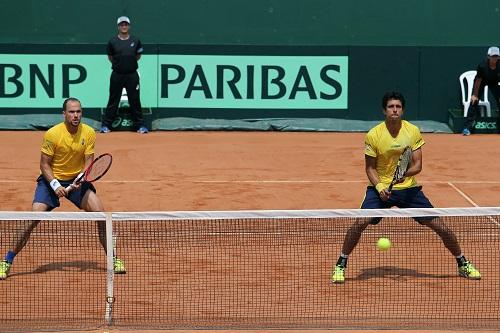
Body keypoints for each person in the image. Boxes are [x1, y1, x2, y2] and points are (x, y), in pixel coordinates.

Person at [330, 91, 481, 284]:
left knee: (440, 226)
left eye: (398, 107)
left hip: (409, 190)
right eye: (391, 106)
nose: (395, 110)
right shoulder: (374, 135)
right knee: (360, 222)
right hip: (380, 188)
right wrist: (380, 187)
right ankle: (340, 264)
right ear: (384, 110)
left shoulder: (412, 131)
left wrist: (404, 175)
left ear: (403, 110)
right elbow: (369, 168)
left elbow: (417, 165)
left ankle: (462, 263)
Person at [0, 98, 126, 280]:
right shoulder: (53, 134)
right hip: (51, 181)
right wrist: (56, 185)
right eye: (72, 112)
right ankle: (6, 261)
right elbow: (44, 165)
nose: (76, 115)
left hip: (76, 181)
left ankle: (113, 259)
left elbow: (89, 161)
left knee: (101, 215)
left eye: (79, 112)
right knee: (31, 220)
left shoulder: (89, 132)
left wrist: (79, 180)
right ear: (64, 114)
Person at [100, 16, 148, 134]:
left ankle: (140, 126)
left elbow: (138, 56)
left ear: (129, 26)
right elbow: (110, 57)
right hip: (117, 75)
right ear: (118, 27)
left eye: (126, 24)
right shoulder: (112, 41)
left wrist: (129, 64)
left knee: (135, 100)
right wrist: (120, 65)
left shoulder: (135, 40)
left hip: (132, 75)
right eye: (122, 25)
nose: (124, 26)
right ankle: (106, 125)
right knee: (113, 100)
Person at [462, 46, 500, 136]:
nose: (495, 58)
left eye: (496, 56)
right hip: (481, 82)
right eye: (493, 56)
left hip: (494, 82)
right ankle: (467, 128)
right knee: (474, 101)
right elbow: (478, 80)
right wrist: (475, 94)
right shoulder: (482, 66)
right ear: (488, 56)